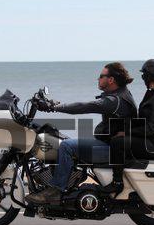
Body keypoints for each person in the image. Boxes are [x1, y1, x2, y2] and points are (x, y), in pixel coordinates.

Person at [25, 62, 137, 204]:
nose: (98, 79)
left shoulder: (115, 100)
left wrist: (53, 107)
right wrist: (55, 105)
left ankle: (56, 190)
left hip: (112, 150)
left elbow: (84, 107)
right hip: (113, 145)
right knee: (65, 141)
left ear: (111, 80)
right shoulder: (120, 94)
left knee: (66, 146)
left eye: (101, 76)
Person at [101, 59, 154, 194]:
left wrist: (127, 132)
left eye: (144, 75)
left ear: (148, 77)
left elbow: (152, 128)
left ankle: (117, 182)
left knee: (118, 142)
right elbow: (145, 120)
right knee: (113, 133)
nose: (143, 78)